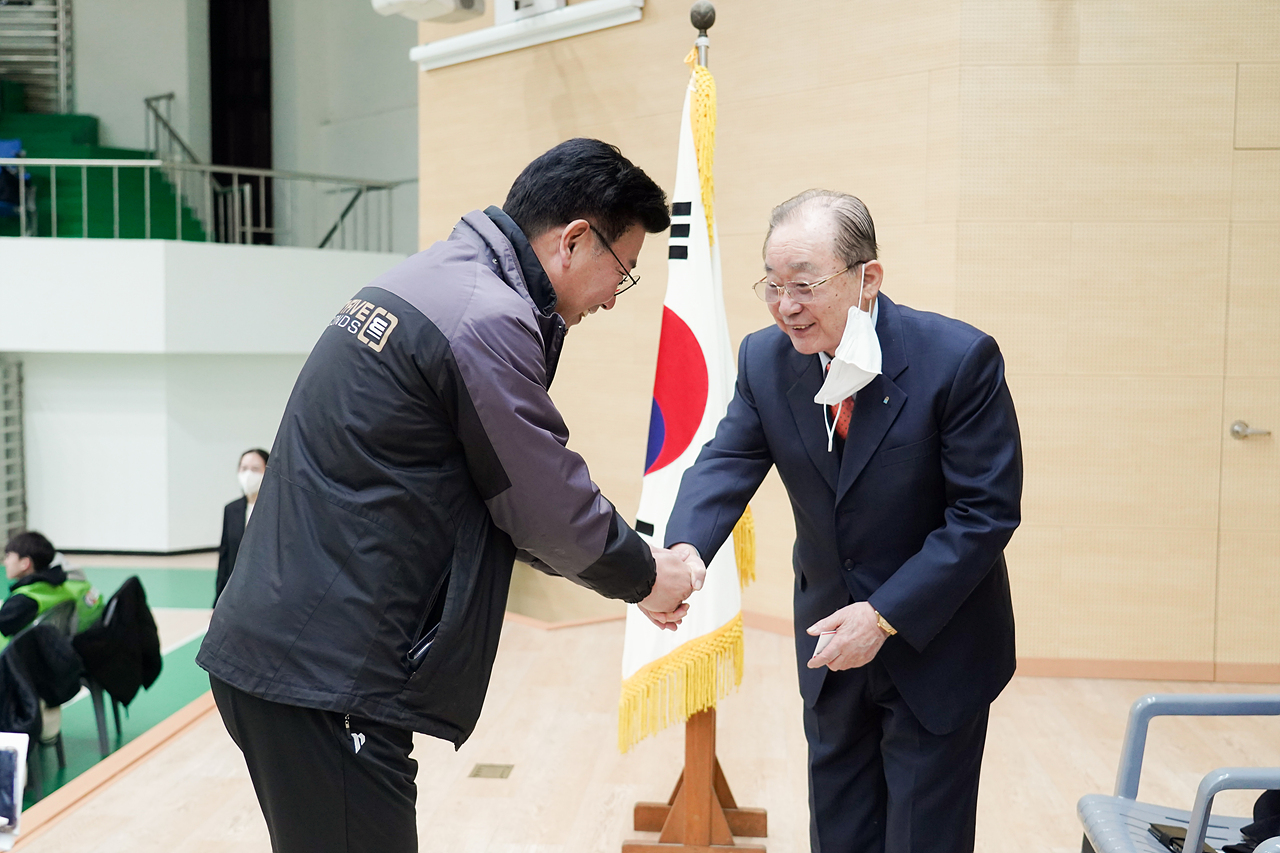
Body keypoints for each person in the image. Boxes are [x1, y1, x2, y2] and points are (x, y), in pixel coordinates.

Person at [197, 138, 706, 853]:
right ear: (574, 241)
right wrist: (649, 576)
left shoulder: (434, 278)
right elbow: (544, 501)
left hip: (296, 655)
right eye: (620, 274)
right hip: (325, 674)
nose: (609, 301)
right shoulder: (484, 314)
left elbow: (499, 495)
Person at [665, 190, 1022, 853]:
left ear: (868, 279)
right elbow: (727, 462)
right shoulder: (766, 360)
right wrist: (686, 553)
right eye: (771, 286)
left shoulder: (958, 360)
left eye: (804, 285)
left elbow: (984, 514)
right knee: (839, 834)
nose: (785, 307)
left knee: (922, 838)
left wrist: (882, 614)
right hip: (832, 647)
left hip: (934, 645)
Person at [1, 530, 106, 645]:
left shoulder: (24, 599)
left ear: (24, 563)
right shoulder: (60, 588)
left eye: (8, 556)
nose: (5, 562)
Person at [213, 448, 269, 605]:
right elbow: (225, 556)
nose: (248, 474)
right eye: (244, 468)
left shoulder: (278, 509)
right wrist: (217, 600)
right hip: (237, 592)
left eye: (255, 469)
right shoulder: (231, 510)